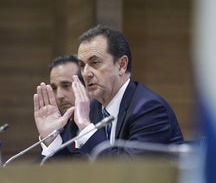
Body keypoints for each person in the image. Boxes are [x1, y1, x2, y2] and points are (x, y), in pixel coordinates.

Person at [34, 25, 184, 159]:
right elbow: (70, 171)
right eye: (82, 65)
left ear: (121, 65)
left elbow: (126, 175)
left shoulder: (149, 109)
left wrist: (86, 126)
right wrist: (50, 139)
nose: (86, 73)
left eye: (95, 62)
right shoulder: (93, 109)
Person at [34, 55, 84, 158]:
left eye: (66, 86)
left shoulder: (103, 121)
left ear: (85, 84)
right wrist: (50, 140)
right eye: (54, 88)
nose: (59, 95)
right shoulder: (59, 126)